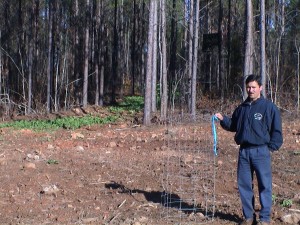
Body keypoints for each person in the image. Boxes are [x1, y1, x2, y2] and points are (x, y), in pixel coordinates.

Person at [215, 74, 283, 225]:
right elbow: (233, 125)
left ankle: (264, 218)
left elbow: (277, 131)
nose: (250, 90)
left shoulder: (269, 107)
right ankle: (249, 217)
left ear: (260, 88)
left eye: (253, 87)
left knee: (265, 185)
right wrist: (222, 119)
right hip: (244, 152)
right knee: (244, 185)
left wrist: (270, 148)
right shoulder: (242, 108)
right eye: (248, 87)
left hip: (261, 151)